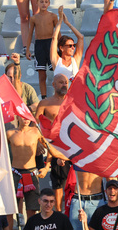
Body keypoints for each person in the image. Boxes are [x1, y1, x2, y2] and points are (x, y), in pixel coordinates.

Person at [35, 74, 71, 212]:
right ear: (54, 85)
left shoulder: (73, 101)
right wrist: (38, 141)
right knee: (58, 184)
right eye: (61, 82)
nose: (64, 85)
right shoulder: (45, 103)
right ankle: (58, 212)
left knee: (72, 183)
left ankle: (69, 211)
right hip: (54, 146)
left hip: (71, 146)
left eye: (66, 82)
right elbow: (35, 124)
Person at [7, 116, 49, 222]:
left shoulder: (36, 132)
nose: (26, 120)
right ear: (17, 117)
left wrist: (46, 167)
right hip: (15, 173)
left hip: (31, 173)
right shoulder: (10, 133)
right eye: (23, 117)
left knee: (32, 210)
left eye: (28, 117)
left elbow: (50, 148)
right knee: (10, 209)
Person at [25, 0, 58, 98]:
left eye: (46, 2)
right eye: (41, 2)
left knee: (56, 72)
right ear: (37, 3)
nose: (44, 4)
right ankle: (44, 97)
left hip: (51, 44)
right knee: (42, 74)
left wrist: (60, 46)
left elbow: (58, 32)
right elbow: (30, 34)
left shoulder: (53, 16)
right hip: (39, 46)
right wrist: (28, 49)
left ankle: (57, 95)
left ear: (49, 3)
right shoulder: (34, 18)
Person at [50, 7, 84, 83]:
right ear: (61, 48)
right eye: (70, 46)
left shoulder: (75, 59)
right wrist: (60, 21)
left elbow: (81, 37)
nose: (73, 48)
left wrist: (67, 23)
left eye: (73, 45)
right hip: (60, 94)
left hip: (73, 94)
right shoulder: (56, 60)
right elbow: (54, 38)